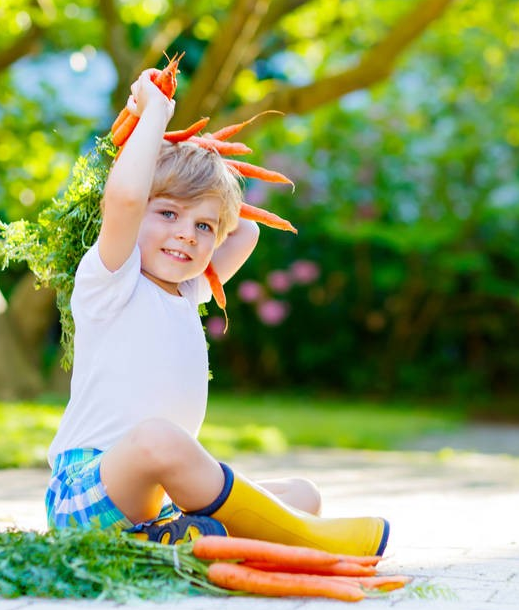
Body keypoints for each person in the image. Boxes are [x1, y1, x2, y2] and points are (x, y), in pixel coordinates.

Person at [44, 70, 389, 557]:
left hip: (154, 505)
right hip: (89, 490)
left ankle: (175, 543)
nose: (187, 234)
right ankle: (305, 541)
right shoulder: (111, 282)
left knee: (302, 493)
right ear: (135, 210)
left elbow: (245, 233)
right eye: (167, 214)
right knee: (158, 439)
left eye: (203, 225)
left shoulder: (187, 292)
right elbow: (122, 198)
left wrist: (205, 168)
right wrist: (155, 115)